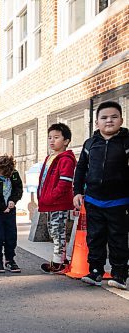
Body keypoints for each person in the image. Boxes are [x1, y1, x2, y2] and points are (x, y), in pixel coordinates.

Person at [73, 101, 129, 290]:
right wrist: (77, 192)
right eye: (104, 118)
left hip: (119, 201)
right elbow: (80, 169)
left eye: (114, 117)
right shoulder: (90, 144)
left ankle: (119, 273)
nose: (109, 121)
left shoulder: (126, 141)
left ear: (121, 119)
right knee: (95, 237)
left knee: (118, 238)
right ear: (96, 122)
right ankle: (95, 271)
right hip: (93, 200)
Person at [38, 123, 77, 274]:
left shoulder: (66, 159)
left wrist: (50, 197)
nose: (52, 141)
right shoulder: (50, 157)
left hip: (58, 203)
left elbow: (64, 184)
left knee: (58, 231)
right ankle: (61, 259)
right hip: (49, 202)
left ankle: (58, 263)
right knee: (53, 231)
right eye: (49, 138)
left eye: (56, 137)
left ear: (66, 141)